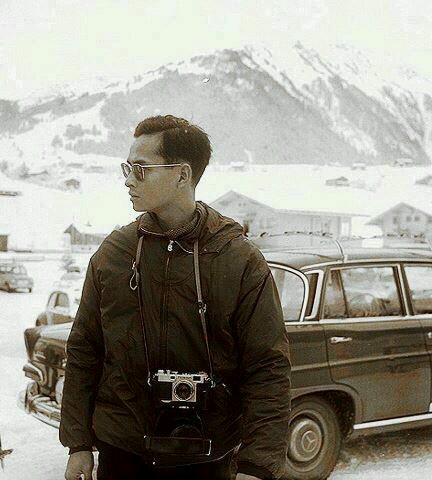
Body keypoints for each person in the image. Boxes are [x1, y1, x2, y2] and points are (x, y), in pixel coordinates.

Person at [60, 115, 291, 480]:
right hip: (122, 455)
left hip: (206, 458)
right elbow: (84, 349)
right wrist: (78, 444)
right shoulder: (114, 254)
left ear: (182, 175)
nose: (128, 180)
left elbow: (268, 367)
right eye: (127, 168)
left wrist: (257, 466)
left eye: (141, 169)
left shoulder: (237, 259)